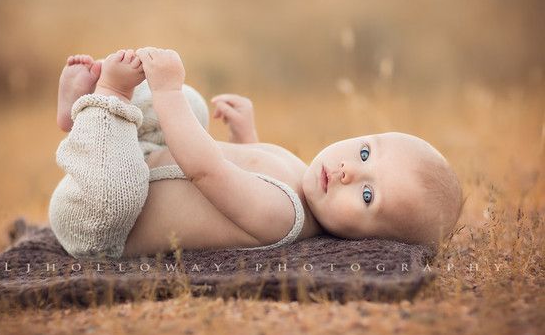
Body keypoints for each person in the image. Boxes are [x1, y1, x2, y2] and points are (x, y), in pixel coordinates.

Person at [49, 49, 464, 259]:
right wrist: (246, 136)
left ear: (368, 243)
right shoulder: (304, 180)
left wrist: (167, 89)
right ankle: (80, 117)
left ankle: (107, 97)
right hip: (142, 157)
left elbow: (207, 172)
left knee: (178, 102)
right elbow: (248, 172)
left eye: (368, 196)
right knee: (193, 107)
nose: (347, 173)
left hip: (102, 221)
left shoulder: (282, 216)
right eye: (365, 153)